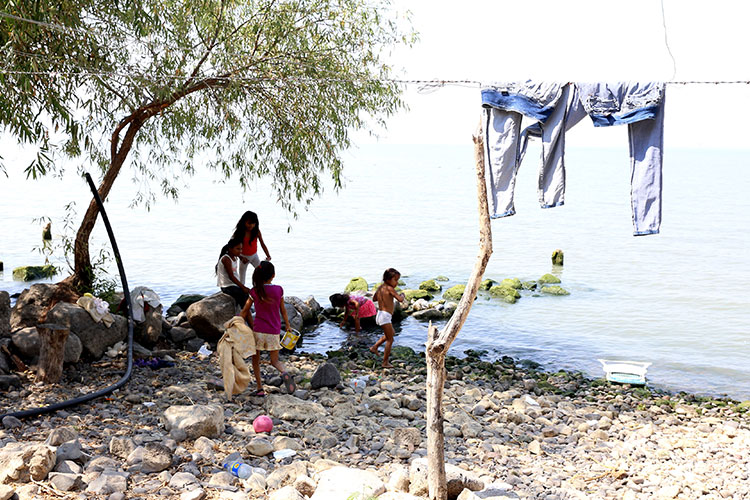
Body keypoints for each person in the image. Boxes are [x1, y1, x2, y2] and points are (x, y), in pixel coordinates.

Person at [240, 261, 296, 396]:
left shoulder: (254, 291)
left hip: (258, 330)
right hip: (274, 331)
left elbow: (245, 311)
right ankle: (284, 373)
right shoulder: (278, 290)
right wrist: (288, 325)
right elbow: (283, 310)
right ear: (273, 275)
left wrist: (236, 322)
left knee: (255, 361)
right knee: (275, 361)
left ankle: (260, 388)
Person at [370, 268, 405, 368]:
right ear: (388, 279)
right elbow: (400, 299)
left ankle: (374, 347)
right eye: (395, 280)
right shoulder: (390, 289)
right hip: (385, 316)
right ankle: (385, 362)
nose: (397, 283)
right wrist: (402, 295)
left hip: (380, 314)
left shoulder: (381, 287)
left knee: (391, 333)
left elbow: (374, 298)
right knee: (390, 340)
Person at [231, 211, 271, 284]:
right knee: (242, 280)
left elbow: (262, 243)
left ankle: (258, 291)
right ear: (244, 222)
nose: (251, 226)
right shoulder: (239, 232)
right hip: (244, 258)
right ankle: (242, 294)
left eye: (253, 223)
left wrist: (268, 255)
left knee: (261, 274)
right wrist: (240, 257)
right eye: (249, 223)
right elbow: (231, 246)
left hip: (254, 256)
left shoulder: (256, 232)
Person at [216, 237, 251, 307]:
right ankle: (244, 312)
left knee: (246, 295)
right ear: (230, 249)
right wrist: (243, 287)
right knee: (243, 294)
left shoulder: (234, 256)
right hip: (227, 286)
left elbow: (238, 255)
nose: (240, 251)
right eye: (238, 249)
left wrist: (241, 257)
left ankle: (244, 310)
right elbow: (231, 277)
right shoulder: (226, 259)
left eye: (241, 249)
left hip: (233, 284)